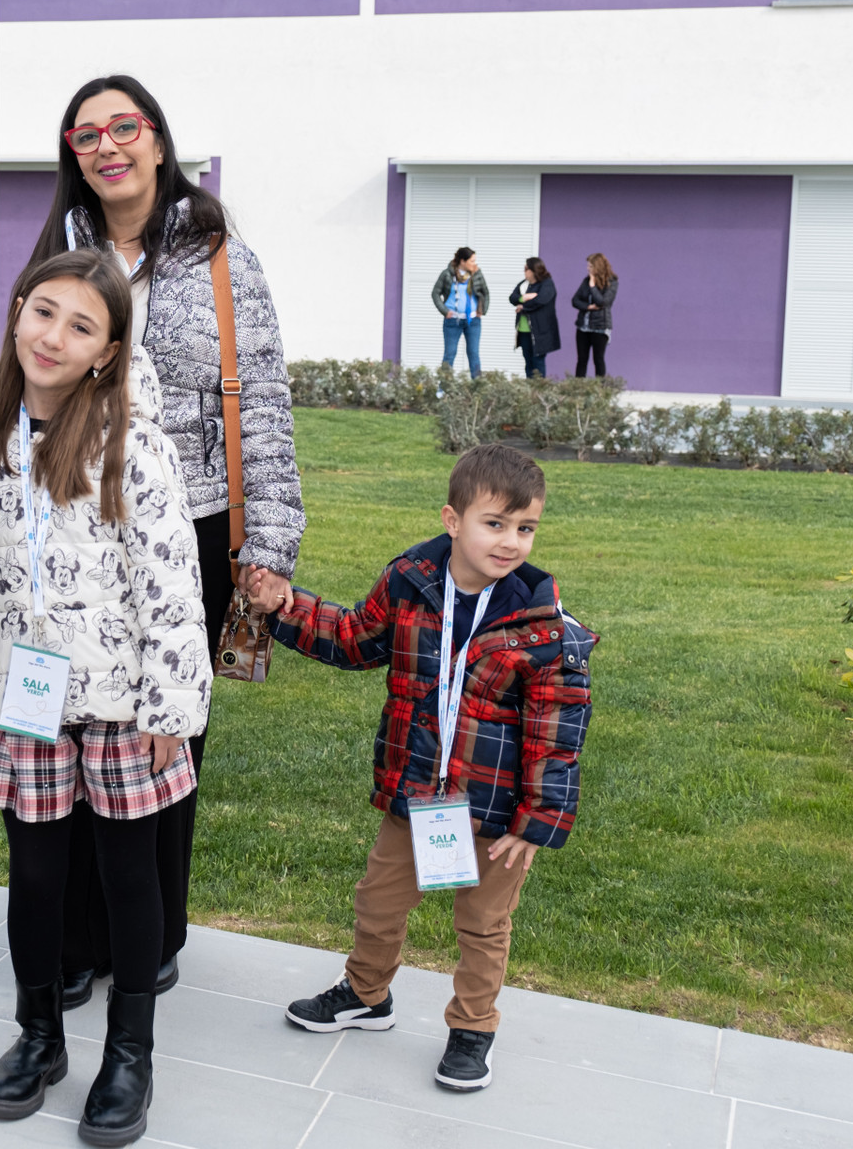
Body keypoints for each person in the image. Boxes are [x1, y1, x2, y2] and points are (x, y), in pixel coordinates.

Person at [29, 75, 304, 1004]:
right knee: (71, 724)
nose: (107, 147)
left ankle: (150, 930)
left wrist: (270, 543)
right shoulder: (58, 253)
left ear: (156, 140)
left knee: (166, 731)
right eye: (86, 135)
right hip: (75, 520)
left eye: (124, 127)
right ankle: (75, 934)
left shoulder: (221, 258)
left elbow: (262, 402)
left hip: (193, 522)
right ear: (73, 155)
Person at [0, 248, 211, 1147]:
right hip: (27, 701)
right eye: (44, 312)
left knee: (128, 877)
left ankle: (130, 1054)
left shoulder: (130, 444)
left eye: (82, 325)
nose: (54, 336)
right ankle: (38, 1037)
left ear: (107, 351)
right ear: (18, 310)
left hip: (121, 705)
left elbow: (172, 584)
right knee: (36, 876)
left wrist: (171, 708)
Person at [245, 443, 595, 1092]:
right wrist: (284, 607)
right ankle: (365, 995)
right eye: (495, 523)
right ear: (452, 520)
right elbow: (353, 637)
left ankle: (473, 1026)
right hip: (417, 794)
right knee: (378, 902)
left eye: (526, 528)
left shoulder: (544, 629)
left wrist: (538, 820)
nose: (511, 541)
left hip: (495, 814)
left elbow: (557, 734)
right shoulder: (410, 583)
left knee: (483, 925)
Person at [430, 246, 490, 378]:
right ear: (463, 261)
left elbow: (485, 292)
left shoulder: (477, 274)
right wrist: (445, 311)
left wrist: (482, 310)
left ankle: (478, 385)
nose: (474, 264)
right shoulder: (447, 274)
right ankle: (444, 386)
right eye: (471, 261)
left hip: (473, 320)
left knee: (473, 354)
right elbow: (435, 293)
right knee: (450, 354)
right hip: (453, 321)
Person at [570, 253, 618, 379]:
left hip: (600, 327)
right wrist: (588, 307)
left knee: (598, 359)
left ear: (598, 266)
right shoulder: (586, 281)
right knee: (582, 359)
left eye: (590, 266)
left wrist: (593, 286)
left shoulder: (612, 282)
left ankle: (599, 388)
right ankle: (578, 387)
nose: (588, 269)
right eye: (588, 266)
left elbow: (603, 302)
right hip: (583, 327)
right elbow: (575, 300)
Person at [510, 258, 559, 379]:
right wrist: (524, 298)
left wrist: (523, 307)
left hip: (540, 332)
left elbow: (541, 300)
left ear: (533, 270)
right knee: (528, 362)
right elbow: (512, 298)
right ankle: (529, 387)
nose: (524, 271)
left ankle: (539, 388)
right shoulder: (524, 284)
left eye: (526, 269)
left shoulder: (547, 284)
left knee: (538, 363)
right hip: (524, 330)